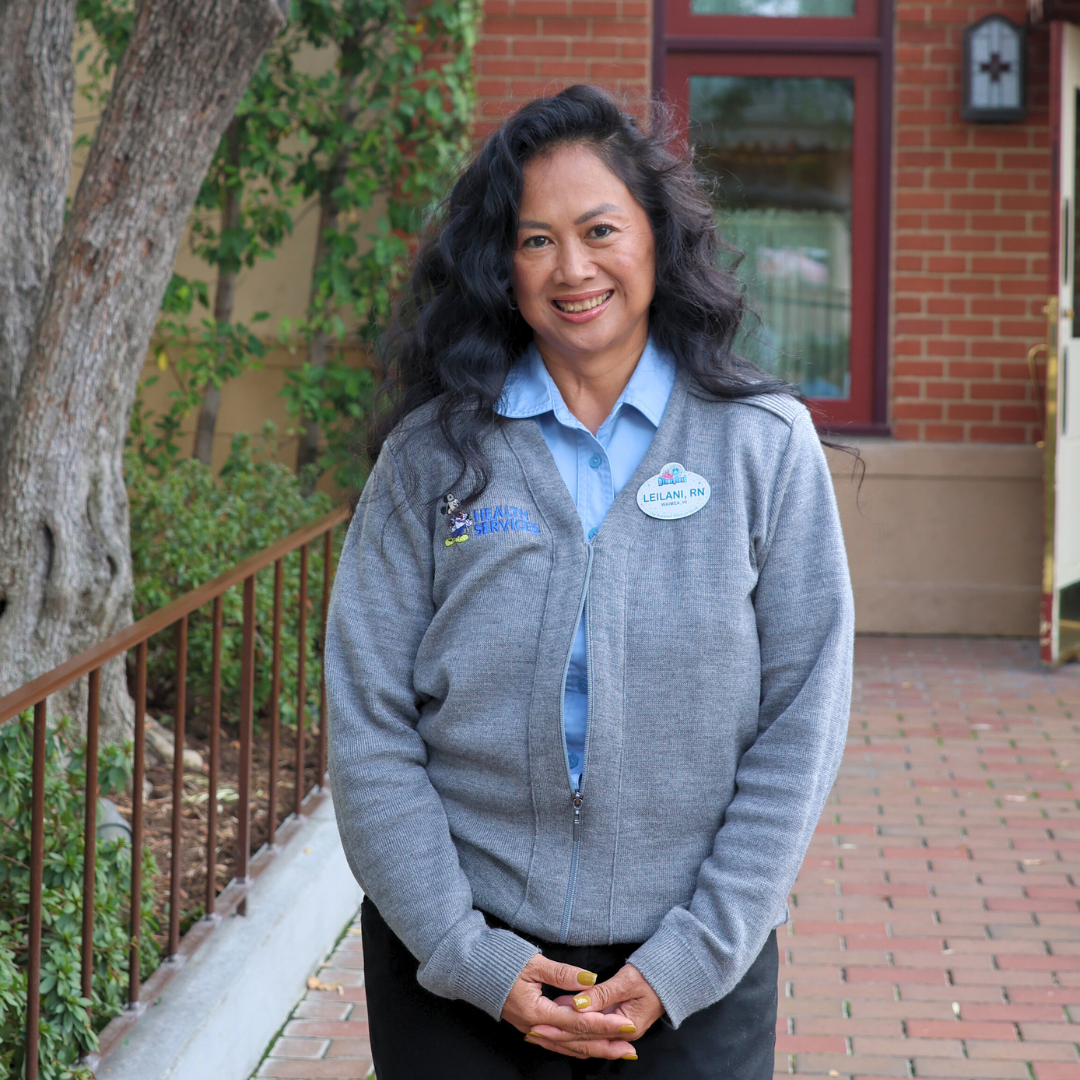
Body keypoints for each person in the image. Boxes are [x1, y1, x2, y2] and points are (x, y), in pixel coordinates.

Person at [326, 84, 854, 1079]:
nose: (573, 268)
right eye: (534, 241)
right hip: (459, 971)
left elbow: (804, 717)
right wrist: (464, 951)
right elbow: (368, 721)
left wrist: (694, 952)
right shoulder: (432, 458)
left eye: (599, 228)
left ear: (655, 236)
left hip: (695, 976)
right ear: (501, 265)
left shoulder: (763, 445)